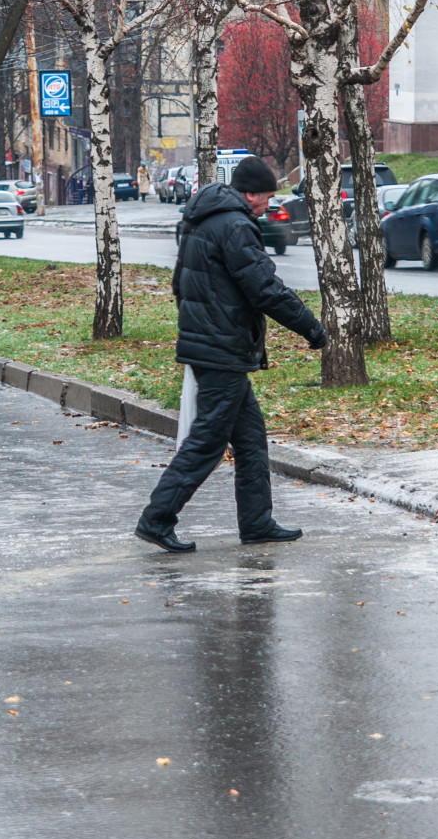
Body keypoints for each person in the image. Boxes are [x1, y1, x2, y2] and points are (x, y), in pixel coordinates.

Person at [135, 156, 327, 552]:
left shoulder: (201, 219)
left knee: (251, 437)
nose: (269, 206)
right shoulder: (236, 225)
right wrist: (311, 326)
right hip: (222, 349)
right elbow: (264, 288)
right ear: (251, 193)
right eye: (268, 198)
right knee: (207, 440)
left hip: (212, 344)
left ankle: (256, 523)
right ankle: (157, 519)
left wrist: (199, 327)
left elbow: (179, 284)